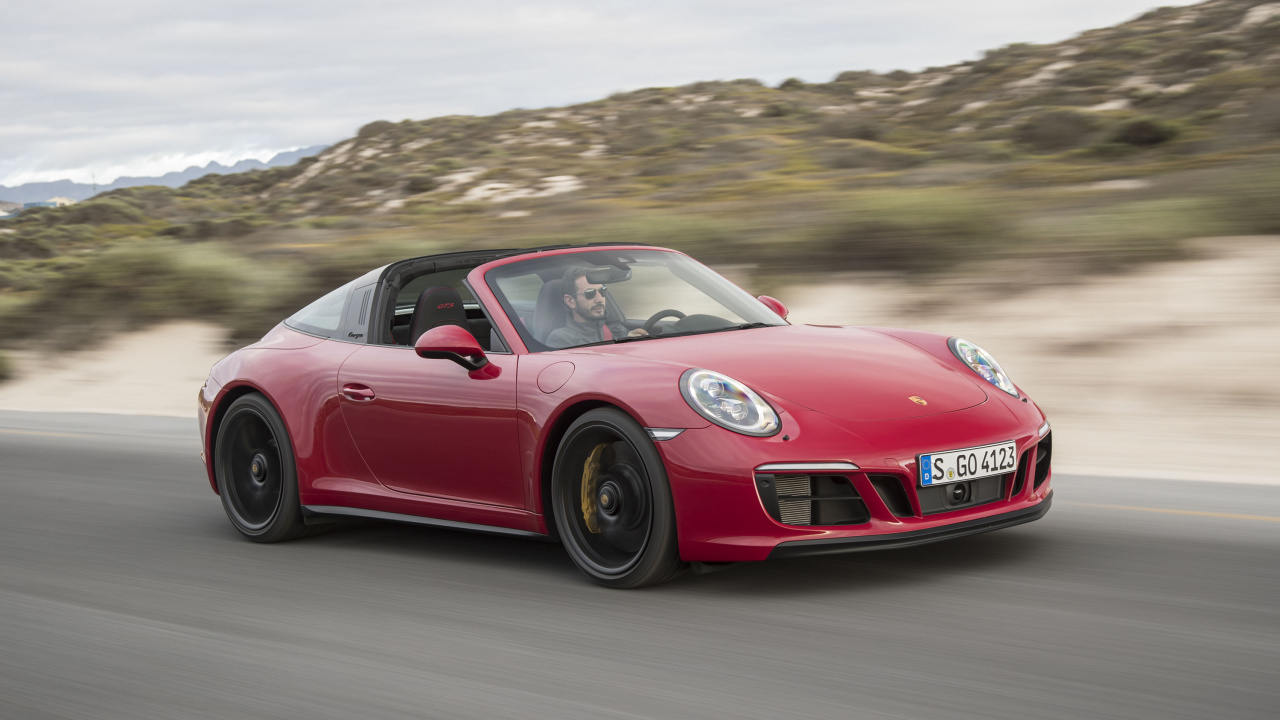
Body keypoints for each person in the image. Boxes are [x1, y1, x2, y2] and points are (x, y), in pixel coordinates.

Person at [545, 266, 648, 348]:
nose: (600, 299)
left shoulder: (616, 329)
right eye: (590, 293)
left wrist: (633, 342)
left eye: (602, 291)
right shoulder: (562, 339)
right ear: (570, 301)